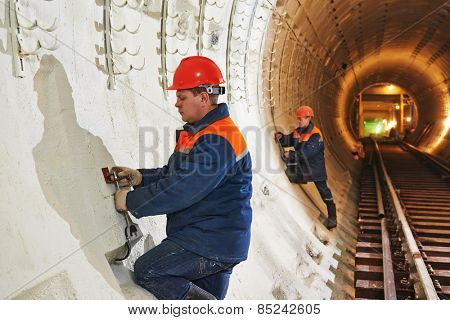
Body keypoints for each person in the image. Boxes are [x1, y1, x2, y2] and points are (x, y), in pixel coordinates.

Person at [112, 56, 252, 300]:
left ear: (204, 97)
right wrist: (140, 178)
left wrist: (132, 202)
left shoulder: (219, 139)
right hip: (216, 237)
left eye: (182, 96)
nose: (176, 103)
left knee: (149, 270)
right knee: (207, 296)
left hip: (210, 241)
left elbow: (184, 188)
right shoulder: (202, 132)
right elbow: (175, 175)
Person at [275, 106, 337, 229]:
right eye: (298, 118)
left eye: (301, 119)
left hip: (316, 169)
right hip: (304, 167)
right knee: (290, 171)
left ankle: (332, 217)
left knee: (324, 192)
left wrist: (291, 154)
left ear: (309, 118)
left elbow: (308, 152)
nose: (299, 121)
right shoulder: (298, 132)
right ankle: (298, 177)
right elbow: (289, 140)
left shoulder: (316, 134)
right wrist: (281, 137)